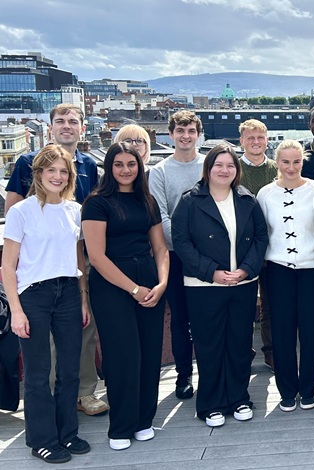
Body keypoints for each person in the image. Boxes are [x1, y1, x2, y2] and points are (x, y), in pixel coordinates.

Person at [4, 104, 107, 418]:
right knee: (46, 338)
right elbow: (13, 212)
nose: (67, 126)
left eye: (73, 122)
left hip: (78, 258)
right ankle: (49, 397)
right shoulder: (26, 162)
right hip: (38, 267)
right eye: (60, 121)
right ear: (50, 128)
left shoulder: (90, 165)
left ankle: (84, 393)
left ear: (82, 129)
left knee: (84, 330)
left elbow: (92, 215)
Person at [2, 145, 91, 463]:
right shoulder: (21, 211)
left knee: (69, 369)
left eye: (63, 171)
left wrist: (82, 298)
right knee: (39, 373)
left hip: (68, 291)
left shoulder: (75, 210)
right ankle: (41, 439)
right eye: (50, 170)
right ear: (38, 174)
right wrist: (16, 309)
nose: (57, 176)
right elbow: (7, 265)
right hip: (33, 296)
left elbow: (78, 257)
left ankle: (67, 432)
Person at [171, 144, 268, 428]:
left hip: (242, 283)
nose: (224, 170)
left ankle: (239, 398)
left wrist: (246, 270)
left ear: (236, 171)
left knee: (239, 343)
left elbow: (261, 238)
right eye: (219, 165)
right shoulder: (190, 201)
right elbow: (181, 242)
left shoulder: (247, 199)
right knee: (209, 344)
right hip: (203, 285)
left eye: (230, 166)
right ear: (208, 169)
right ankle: (210, 403)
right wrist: (211, 272)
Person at [81, 142, 169, 450]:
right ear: (109, 167)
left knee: (148, 354)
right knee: (123, 357)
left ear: (139, 166)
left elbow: (159, 248)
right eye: (118, 164)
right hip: (112, 285)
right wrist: (133, 289)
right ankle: (120, 427)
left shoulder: (147, 200)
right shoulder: (97, 202)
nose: (125, 169)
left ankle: (144, 420)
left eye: (130, 164)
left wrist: (161, 284)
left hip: (148, 280)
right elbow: (97, 256)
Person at [257, 140, 314, 412]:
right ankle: (286, 390)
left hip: (313, 269)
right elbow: (262, 233)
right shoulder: (265, 194)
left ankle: (308, 389)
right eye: (285, 161)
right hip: (278, 270)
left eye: (296, 161)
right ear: (277, 162)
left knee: (310, 331)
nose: (291, 167)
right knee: (282, 332)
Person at [148, 110, 204, 400]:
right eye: (180, 130)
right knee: (181, 319)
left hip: (209, 257)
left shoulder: (209, 166)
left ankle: (210, 371)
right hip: (176, 257)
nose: (185, 136)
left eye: (191, 130)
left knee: (208, 318)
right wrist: (188, 250)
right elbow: (161, 217)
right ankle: (184, 375)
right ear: (171, 135)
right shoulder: (159, 172)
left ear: (198, 134)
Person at [238, 119, 278, 371]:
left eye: (260, 137)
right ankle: (243, 353)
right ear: (241, 140)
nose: (255, 142)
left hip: (274, 248)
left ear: (267, 139)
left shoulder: (277, 168)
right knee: (242, 304)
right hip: (241, 249)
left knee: (271, 306)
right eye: (250, 137)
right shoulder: (232, 168)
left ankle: (272, 353)